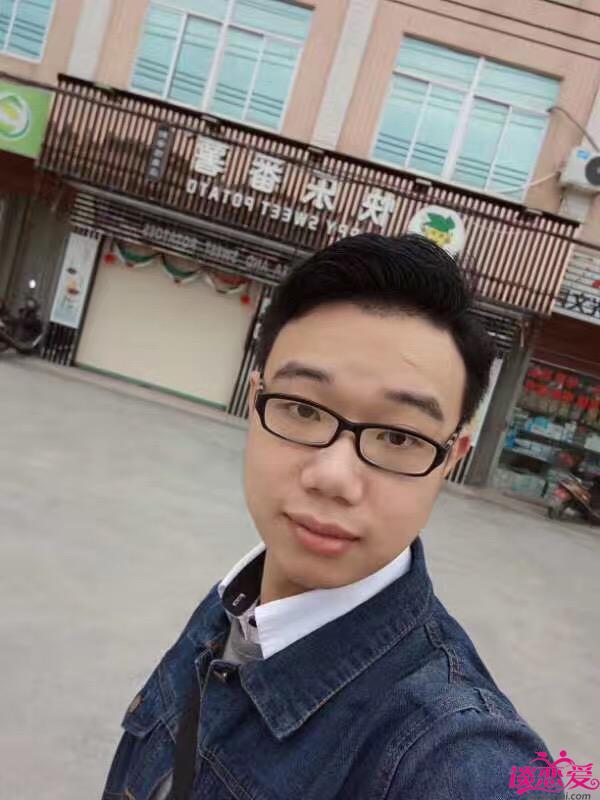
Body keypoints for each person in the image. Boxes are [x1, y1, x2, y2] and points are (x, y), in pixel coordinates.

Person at [102, 234, 562, 800]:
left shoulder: (456, 756)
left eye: (400, 436)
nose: (333, 477)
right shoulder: (235, 604)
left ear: (451, 459)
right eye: (303, 408)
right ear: (255, 402)